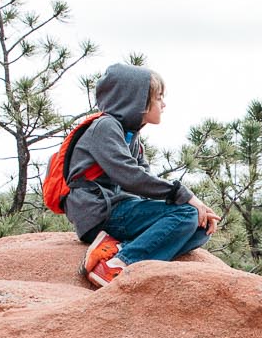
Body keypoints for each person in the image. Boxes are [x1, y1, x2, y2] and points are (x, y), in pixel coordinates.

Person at [59, 63, 219, 287]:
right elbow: (131, 176)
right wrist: (185, 197)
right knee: (185, 214)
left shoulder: (131, 136)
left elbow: (145, 181)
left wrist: (196, 210)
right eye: (158, 97)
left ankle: (115, 248)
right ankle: (116, 264)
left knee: (199, 228)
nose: (164, 104)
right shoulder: (105, 127)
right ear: (136, 99)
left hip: (118, 209)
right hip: (98, 211)